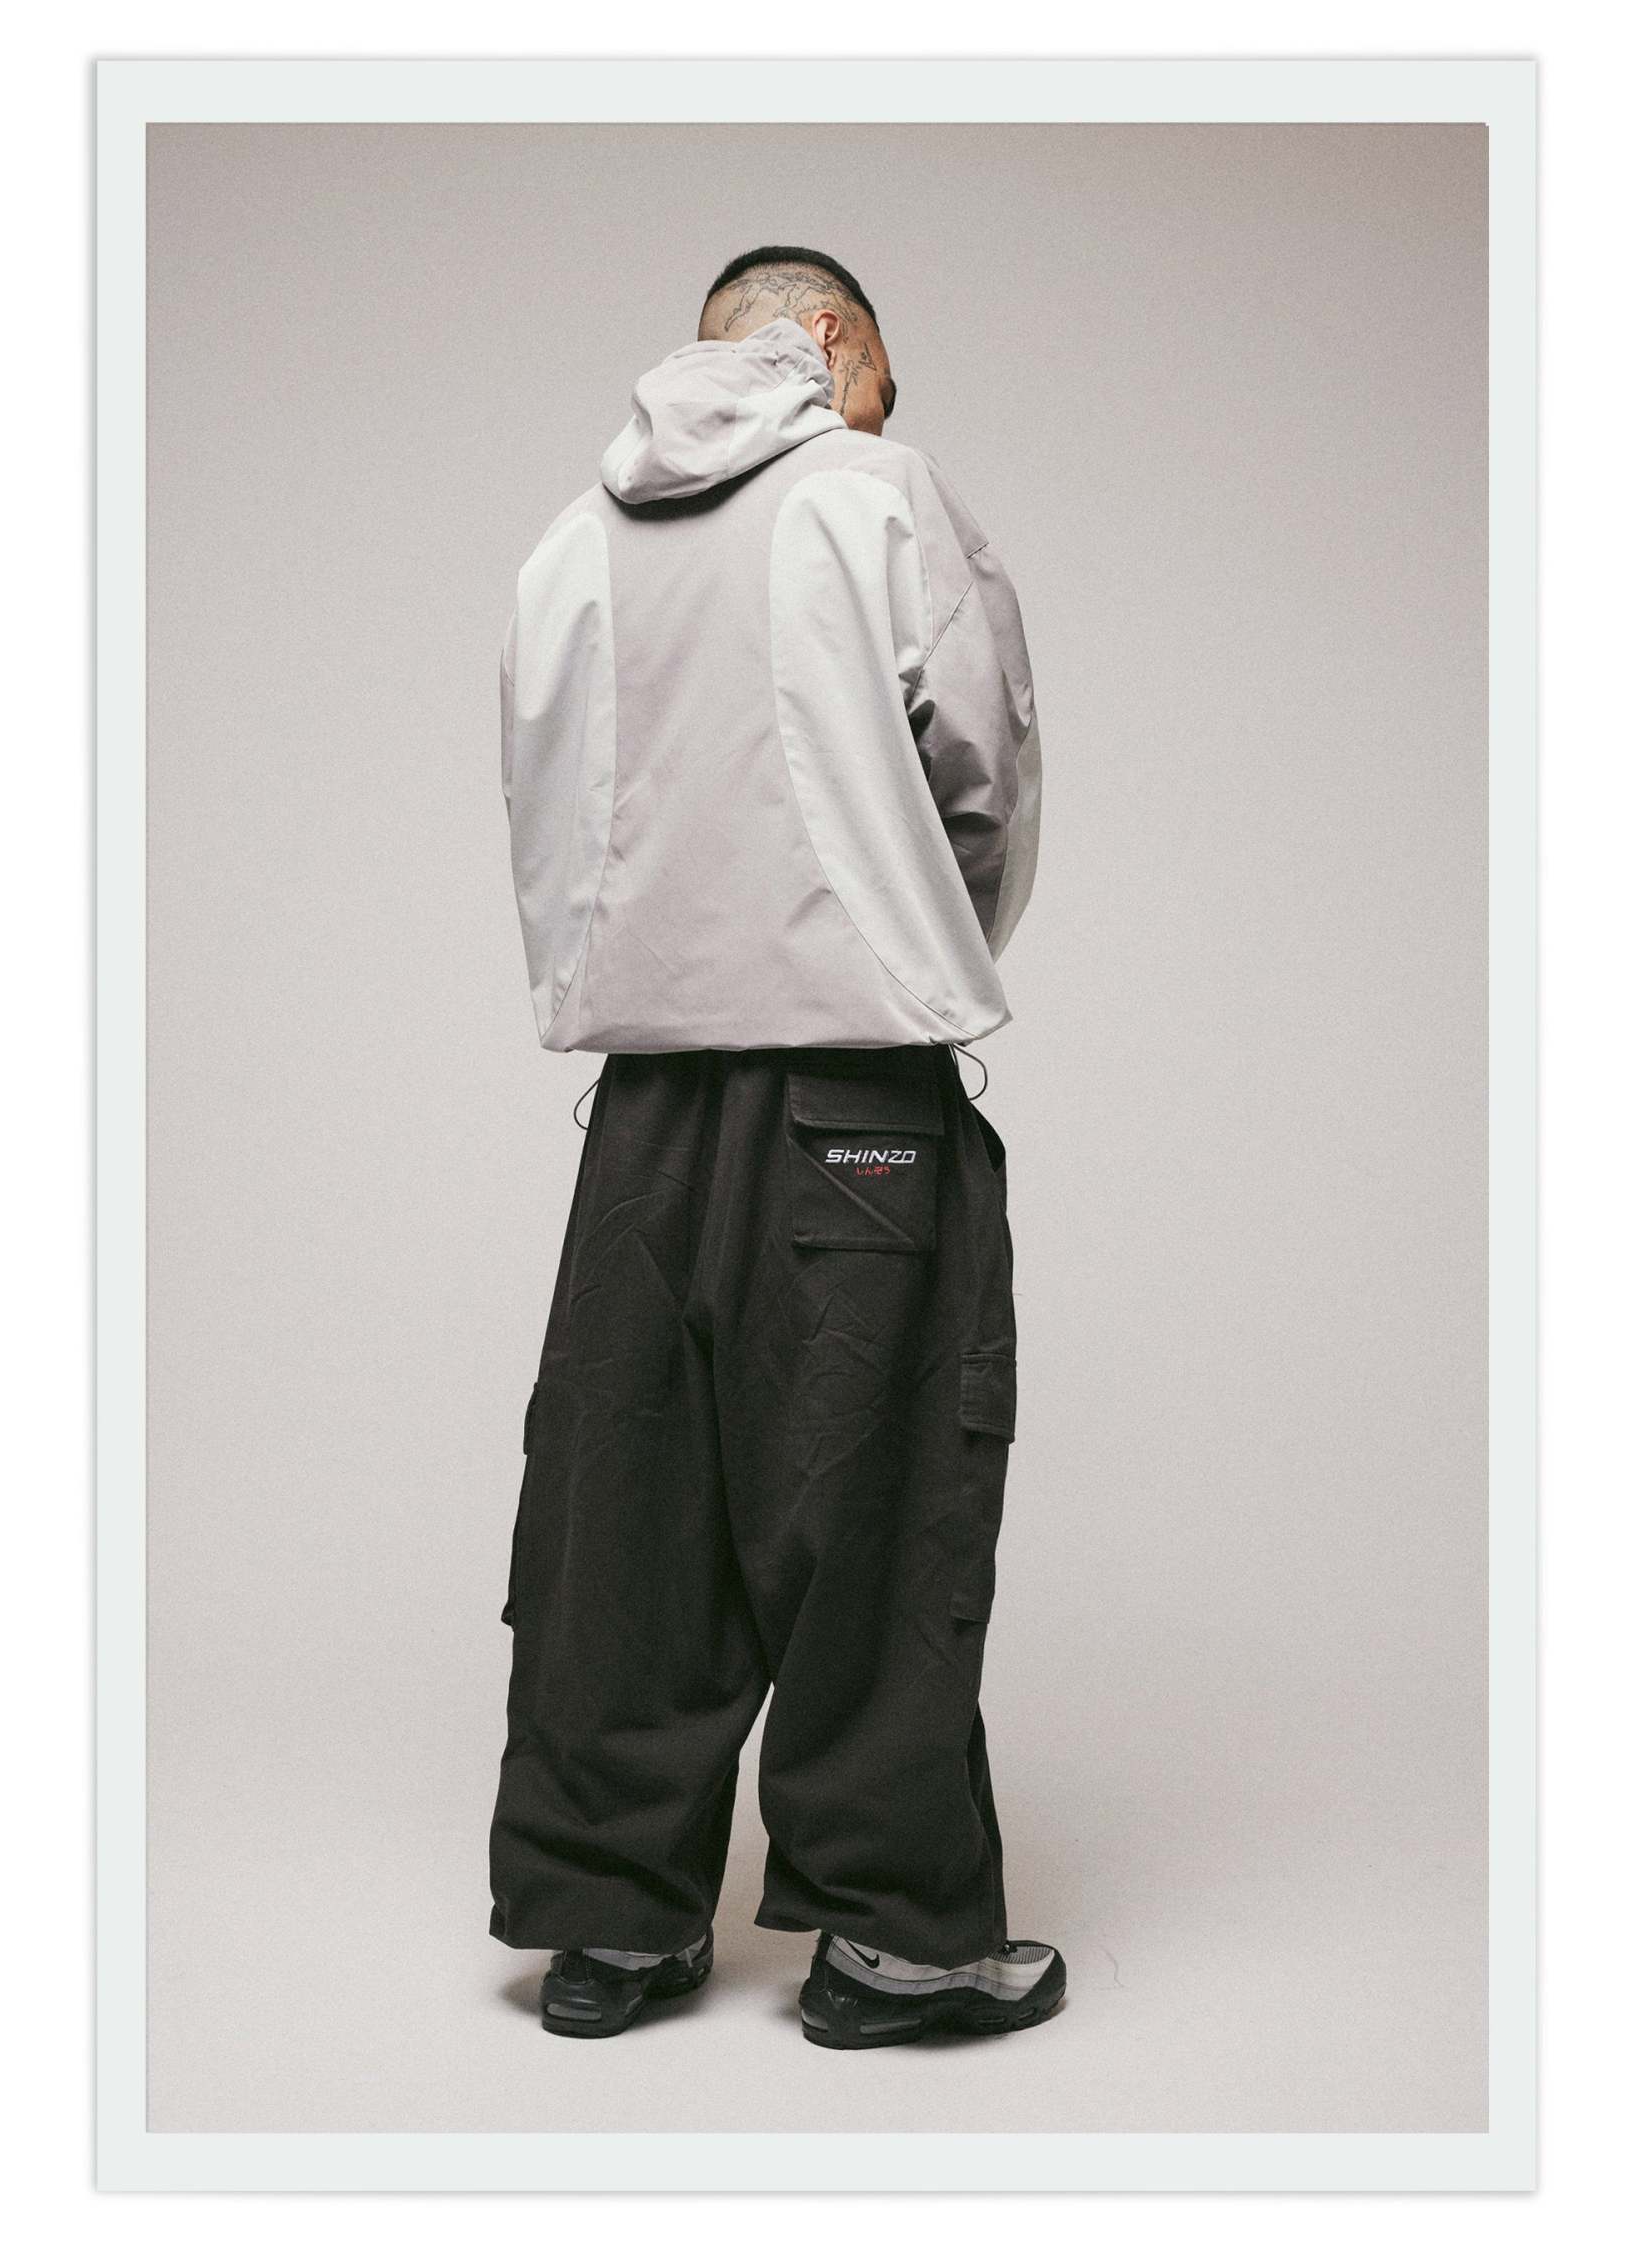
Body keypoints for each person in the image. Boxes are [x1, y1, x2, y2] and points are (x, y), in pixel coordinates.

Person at [488, 246, 1062, 2048]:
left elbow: (541, 805)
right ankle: (896, 1942)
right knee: (873, 1505)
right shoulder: (877, 493)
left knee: (623, 1511)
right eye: (882, 371)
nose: (885, 407)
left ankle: (610, 1920)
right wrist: (917, 927)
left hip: (641, 1115)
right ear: (826, 341)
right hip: (854, 1098)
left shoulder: (567, 542)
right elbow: (983, 768)